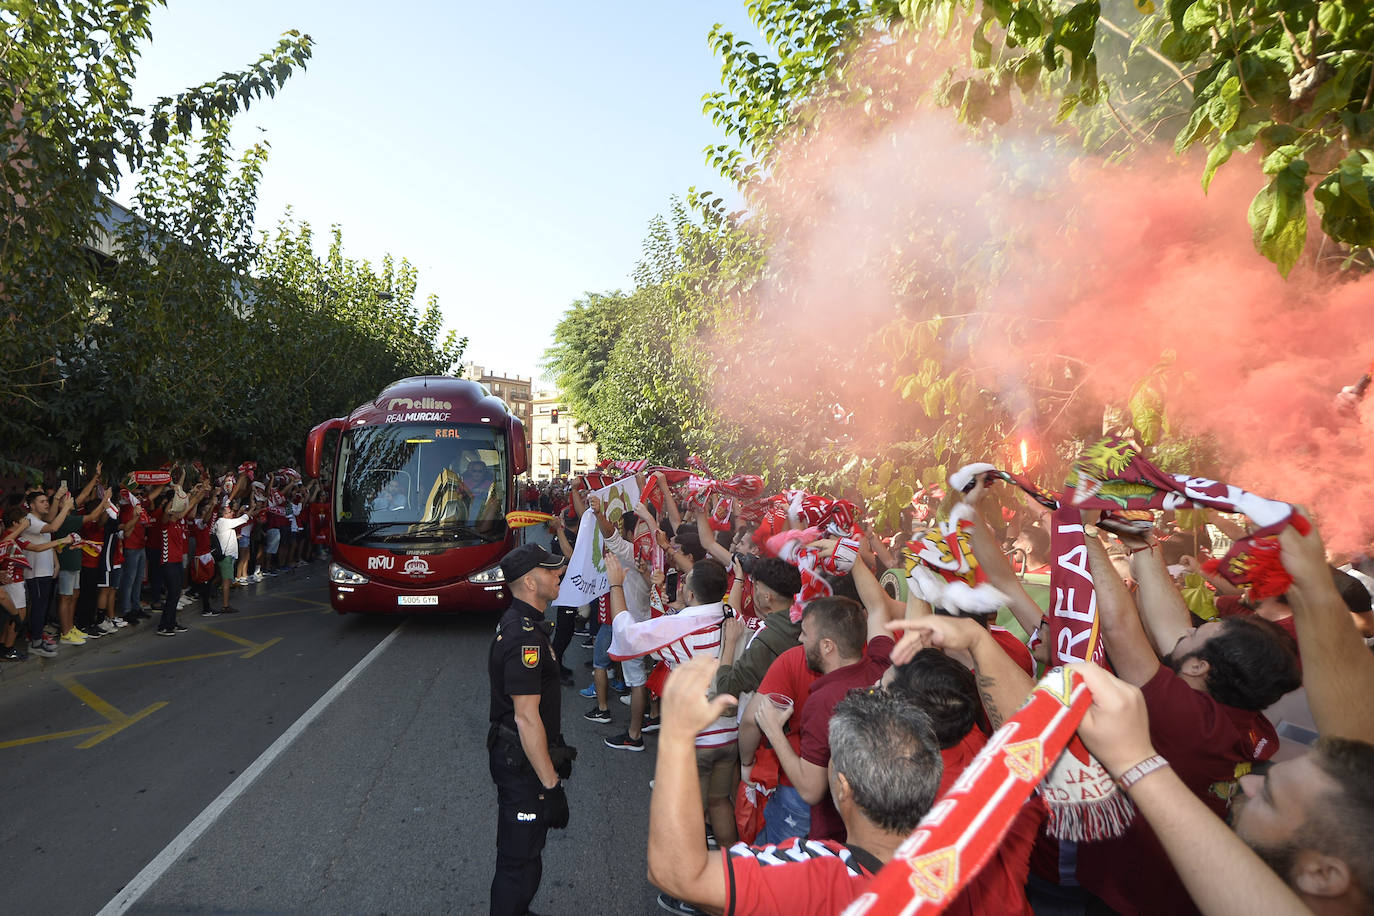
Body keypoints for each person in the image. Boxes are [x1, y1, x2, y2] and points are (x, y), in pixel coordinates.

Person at [647, 655, 943, 914]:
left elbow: (675, 874)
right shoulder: (959, 865)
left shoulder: (817, 875)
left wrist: (676, 737)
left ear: (844, 788)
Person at [487, 543, 575, 916]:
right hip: (520, 763)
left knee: (529, 852)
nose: (559, 573)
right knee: (517, 861)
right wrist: (550, 784)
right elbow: (525, 717)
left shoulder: (530, 623)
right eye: (551, 569)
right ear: (528, 582)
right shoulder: (525, 636)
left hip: (524, 756)